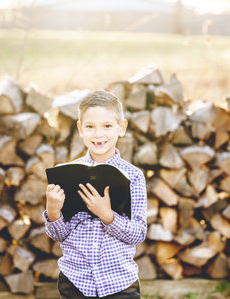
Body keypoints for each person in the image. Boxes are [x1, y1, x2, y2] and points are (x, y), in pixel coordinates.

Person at [44, 90, 147, 298]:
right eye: (90, 126)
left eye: (107, 126)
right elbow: (59, 235)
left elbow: (138, 233)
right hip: (75, 283)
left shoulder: (133, 177)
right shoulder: (67, 174)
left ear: (121, 128)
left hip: (119, 284)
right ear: (81, 129)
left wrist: (107, 215)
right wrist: (53, 212)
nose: (98, 134)